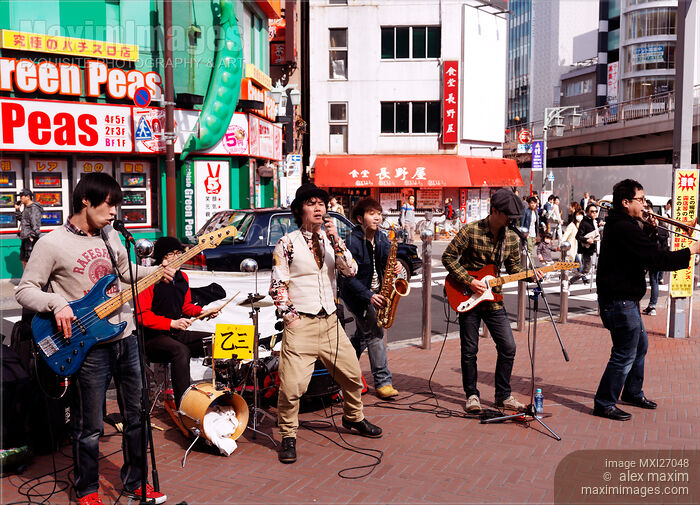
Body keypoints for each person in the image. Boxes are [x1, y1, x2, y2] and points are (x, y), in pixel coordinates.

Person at [15, 173, 172, 505]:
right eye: (109, 204)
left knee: (136, 414)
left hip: (125, 336)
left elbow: (127, 273)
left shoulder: (111, 235)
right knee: (89, 425)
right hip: (87, 345)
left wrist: (160, 270)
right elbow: (25, 291)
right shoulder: (52, 243)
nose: (114, 212)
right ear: (85, 200)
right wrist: (56, 304)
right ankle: (86, 488)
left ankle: (136, 481)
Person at [270, 183, 382, 464]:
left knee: (353, 376)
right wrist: (290, 318)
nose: (319, 208)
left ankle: (353, 418)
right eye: (311, 203)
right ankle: (288, 435)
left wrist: (337, 241)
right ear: (300, 210)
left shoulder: (331, 240)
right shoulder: (287, 244)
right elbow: (277, 285)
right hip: (302, 324)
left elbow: (351, 270)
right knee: (292, 386)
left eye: (321, 203)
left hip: (330, 321)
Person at [592, 179, 700, 421]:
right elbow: (656, 259)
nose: (645, 204)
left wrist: (650, 230)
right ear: (625, 202)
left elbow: (640, 255)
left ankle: (631, 392)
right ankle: (604, 402)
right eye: (640, 199)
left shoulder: (624, 224)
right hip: (620, 302)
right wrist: (691, 251)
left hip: (624, 300)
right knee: (623, 353)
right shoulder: (623, 227)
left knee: (640, 347)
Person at [442, 188, 538, 414]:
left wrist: (530, 274)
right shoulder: (471, 230)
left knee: (508, 347)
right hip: (467, 295)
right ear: (495, 211)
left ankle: (502, 396)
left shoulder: (512, 238)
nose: (512, 222)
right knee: (469, 349)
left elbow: (514, 268)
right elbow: (448, 257)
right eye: (508, 217)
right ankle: (472, 395)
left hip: (493, 299)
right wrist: (469, 281)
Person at [138, 236, 221, 408]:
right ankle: (184, 406)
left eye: (178, 253)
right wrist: (171, 323)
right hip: (152, 337)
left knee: (217, 340)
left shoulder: (183, 277)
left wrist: (203, 312)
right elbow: (141, 316)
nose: (177, 257)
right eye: (171, 254)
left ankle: (221, 397)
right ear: (162, 257)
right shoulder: (149, 279)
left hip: (175, 333)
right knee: (180, 352)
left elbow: (186, 306)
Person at [340, 198, 401, 400]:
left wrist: (396, 266)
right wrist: (369, 295)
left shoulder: (382, 238)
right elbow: (348, 279)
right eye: (372, 213)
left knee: (361, 336)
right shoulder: (351, 241)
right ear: (360, 218)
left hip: (376, 292)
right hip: (357, 295)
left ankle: (340, 372)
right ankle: (383, 382)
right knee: (374, 333)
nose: (377, 217)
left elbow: (386, 262)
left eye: (379, 213)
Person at [641, 200, 669, 316]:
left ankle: (652, 306)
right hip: (646, 255)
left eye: (646, 209)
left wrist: (655, 227)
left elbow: (665, 236)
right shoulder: (643, 221)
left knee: (654, 280)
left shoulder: (659, 221)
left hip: (655, 256)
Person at [569, 203, 600, 285]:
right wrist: (587, 240)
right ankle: (569, 282)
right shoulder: (584, 222)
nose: (595, 213)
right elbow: (578, 236)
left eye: (596, 211)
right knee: (586, 270)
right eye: (592, 211)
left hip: (597, 249)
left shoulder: (597, 221)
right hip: (588, 250)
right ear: (587, 212)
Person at [14, 188, 43, 269]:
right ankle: (26, 280)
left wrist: (32, 236)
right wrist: (17, 209)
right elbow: (22, 219)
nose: (20, 199)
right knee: (24, 260)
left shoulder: (34, 208)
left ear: (28, 197)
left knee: (30, 262)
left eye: (21, 196)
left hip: (30, 238)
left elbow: (36, 223)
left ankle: (31, 280)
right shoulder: (27, 208)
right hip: (25, 237)